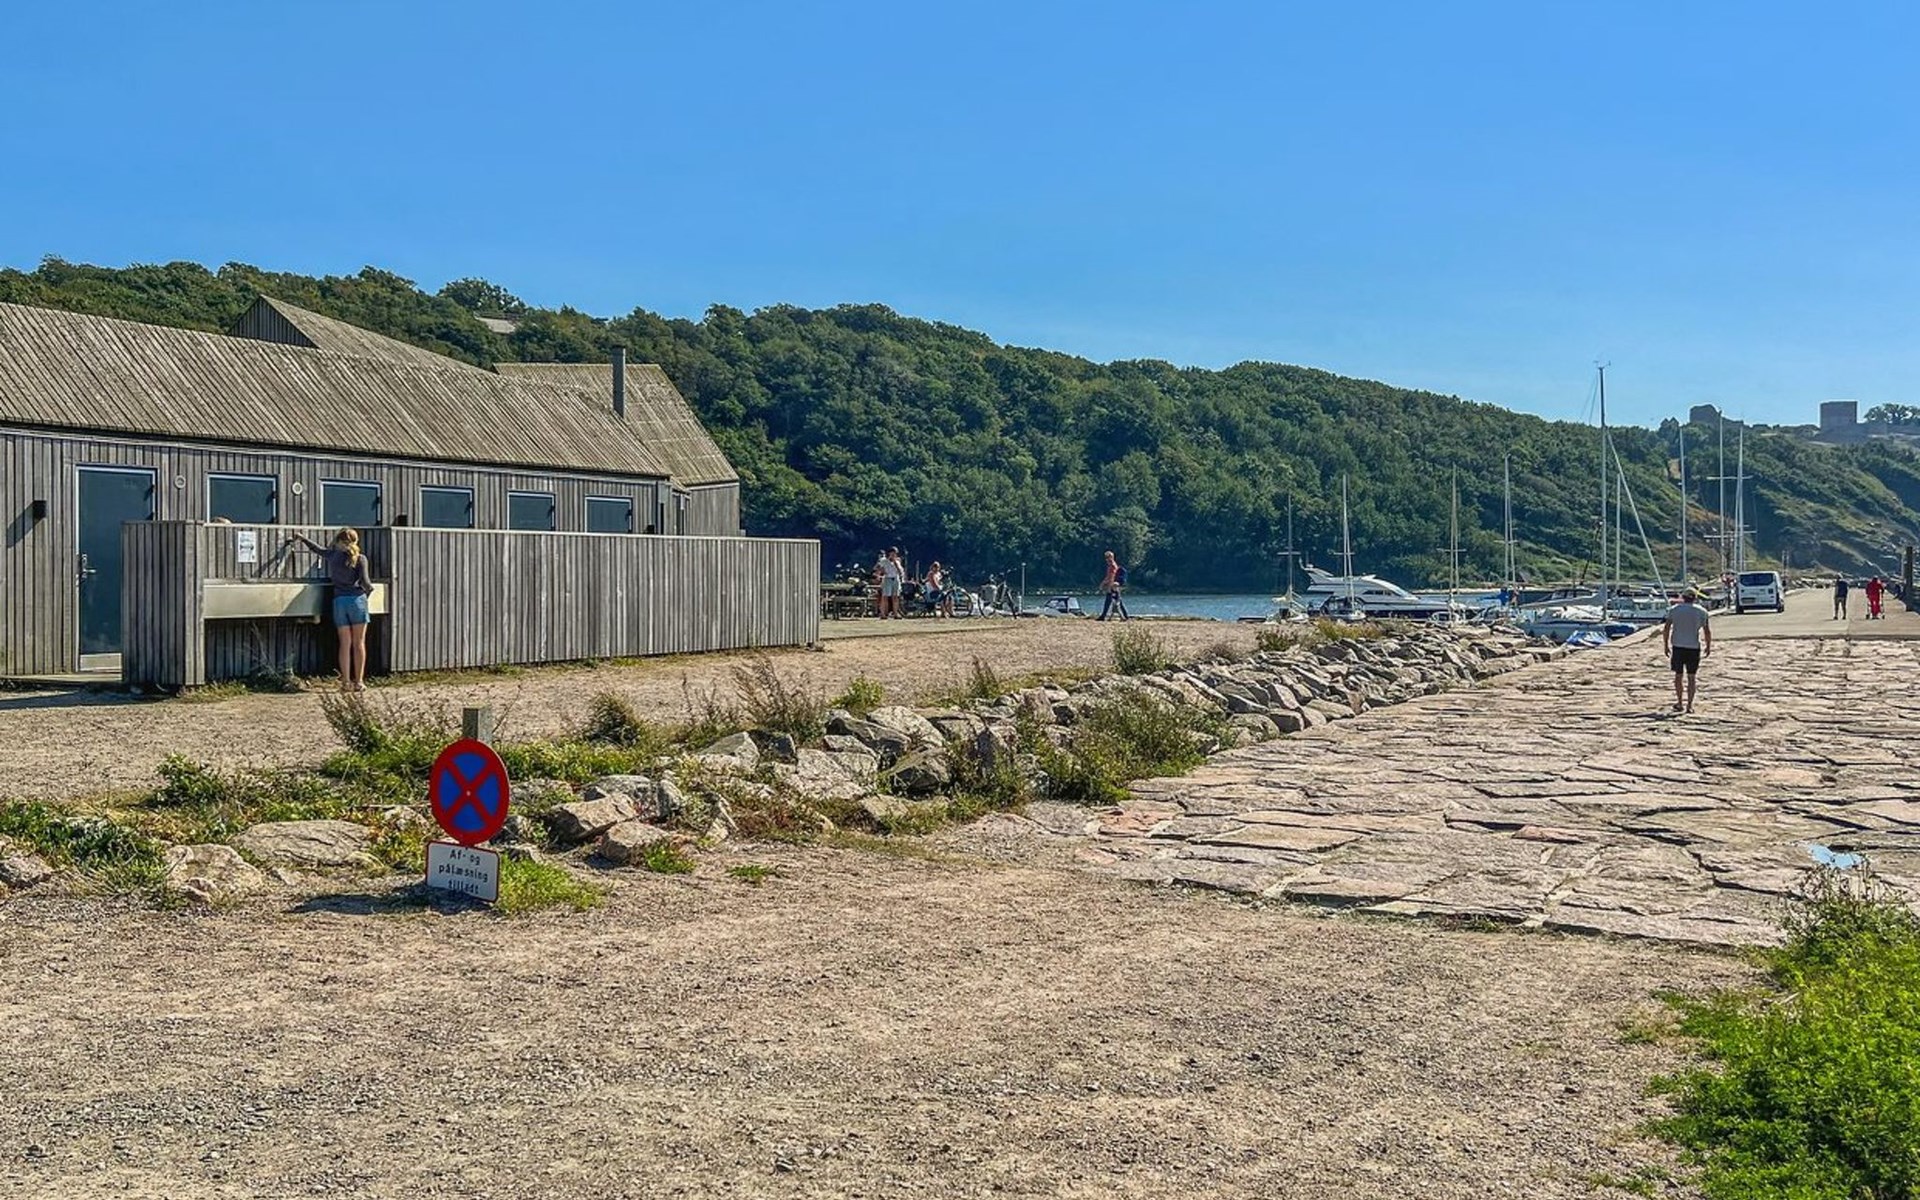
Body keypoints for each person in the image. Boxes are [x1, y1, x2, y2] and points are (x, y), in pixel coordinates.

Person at [286, 527, 374, 692]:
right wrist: (365, 596)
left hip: (339, 601)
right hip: (357, 601)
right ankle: (359, 681)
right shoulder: (361, 559)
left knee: (344, 644)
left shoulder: (333, 556)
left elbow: (316, 549)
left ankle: (345, 682)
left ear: (339, 542)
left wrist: (302, 538)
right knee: (359, 643)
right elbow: (367, 584)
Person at [1662, 587, 1713, 714]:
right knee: (1691, 677)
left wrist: (1666, 645)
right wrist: (1708, 646)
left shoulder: (1674, 610)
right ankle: (1689, 705)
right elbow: (1707, 631)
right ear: (1695, 597)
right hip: (1693, 647)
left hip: (1678, 646)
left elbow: (1666, 628)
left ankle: (1679, 702)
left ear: (1683, 597)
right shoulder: (1702, 611)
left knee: (1678, 676)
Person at [1097, 550, 1130, 621]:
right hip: (1113, 585)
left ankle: (1104, 616)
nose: (1106, 559)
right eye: (1106, 557)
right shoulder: (1111, 565)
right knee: (1114, 601)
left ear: (1112, 557)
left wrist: (1106, 585)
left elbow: (1111, 576)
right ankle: (1125, 616)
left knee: (1116, 601)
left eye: (1108, 557)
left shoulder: (1112, 566)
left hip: (1113, 586)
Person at [881, 548, 905, 619]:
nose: (893, 555)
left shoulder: (897, 561)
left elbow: (900, 571)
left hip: (895, 578)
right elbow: (880, 568)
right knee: (885, 597)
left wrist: (896, 563)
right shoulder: (884, 561)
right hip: (887, 578)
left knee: (895, 597)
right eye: (892, 553)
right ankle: (884, 614)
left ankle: (895, 614)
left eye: (895, 553)